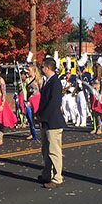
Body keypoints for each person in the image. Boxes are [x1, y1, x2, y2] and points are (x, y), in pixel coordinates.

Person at [37, 57, 66, 189]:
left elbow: (54, 103)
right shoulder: (47, 81)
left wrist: (44, 117)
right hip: (45, 121)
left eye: (42, 67)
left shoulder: (55, 82)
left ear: (47, 68)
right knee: (46, 150)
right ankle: (46, 174)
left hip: (53, 121)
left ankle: (57, 177)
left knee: (54, 151)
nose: (41, 69)